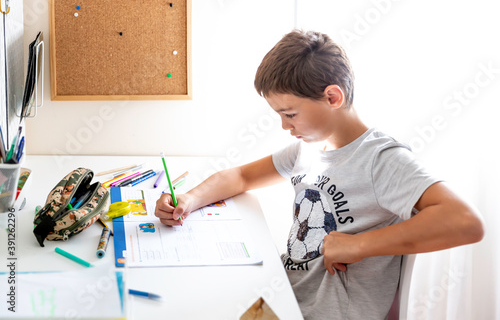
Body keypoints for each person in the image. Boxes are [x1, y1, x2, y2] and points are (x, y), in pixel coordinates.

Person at [155, 30, 484, 319]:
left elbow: (465, 221)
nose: (285, 126)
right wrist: (188, 198)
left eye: (290, 114)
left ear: (332, 97)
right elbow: (241, 176)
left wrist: (359, 246)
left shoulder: (381, 159)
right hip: (288, 292)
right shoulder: (311, 148)